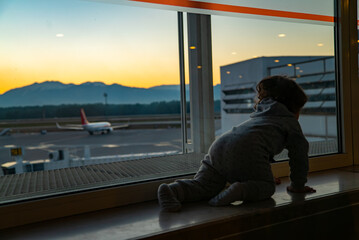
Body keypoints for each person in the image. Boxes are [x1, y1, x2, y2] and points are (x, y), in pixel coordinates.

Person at [158, 75, 316, 212]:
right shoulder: (290, 123)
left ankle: (172, 190)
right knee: (266, 188)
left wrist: (258, 175)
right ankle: (239, 190)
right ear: (294, 108)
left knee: (204, 186)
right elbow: (299, 156)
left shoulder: (260, 115)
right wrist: (297, 185)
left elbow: (257, 147)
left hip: (220, 145)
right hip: (247, 150)